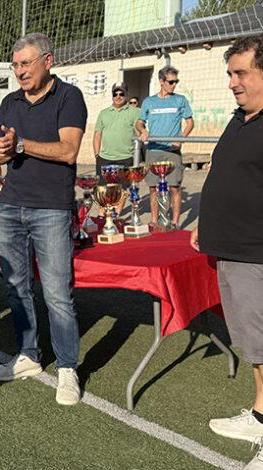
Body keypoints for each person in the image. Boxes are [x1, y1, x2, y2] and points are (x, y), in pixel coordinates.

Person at [0, 33, 87, 406]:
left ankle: (67, 368)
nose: (19, 71)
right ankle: (28, 355)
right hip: (10, 206)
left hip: (52, 208)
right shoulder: (10, 102)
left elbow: (69, 150)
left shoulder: (69, 97)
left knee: (57, 293)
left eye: (25, 63)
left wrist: (21, 144)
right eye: (15, 65)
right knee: (16, 287)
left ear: (48, 61)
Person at [190, 35, 263, 470]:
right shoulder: (241, 118)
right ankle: (260, 416)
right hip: (233, 249)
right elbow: (228, 174)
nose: (232, 82)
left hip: (257, 252)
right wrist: (205, 221)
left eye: (241, 73)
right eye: (230, 74)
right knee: (256, 344)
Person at [136, 66, 194, 228]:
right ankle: (155, 220)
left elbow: (190, 123)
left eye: (176, 81)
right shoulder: (149, 101)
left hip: (172, 151)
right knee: (153, 188)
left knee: (174, 187)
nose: (174, 85)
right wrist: (143, 130)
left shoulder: (180, 100)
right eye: (171, 82)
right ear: (161, 81)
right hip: (154, 150)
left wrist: (180, 139)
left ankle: (174, 222)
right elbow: (139, 123)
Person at [93, 82, 139, 216]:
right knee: (102, 190)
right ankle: (102, 216)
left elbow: (139, 130)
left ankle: (116, 216)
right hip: (105, 158)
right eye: (115, 94)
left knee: (122, 190)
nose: (118, 96)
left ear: (126, 95)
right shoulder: (103, 113)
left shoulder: (135, 112)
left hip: (125, 157)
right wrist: (97, 155)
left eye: (121, 93)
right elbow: (97, 135)